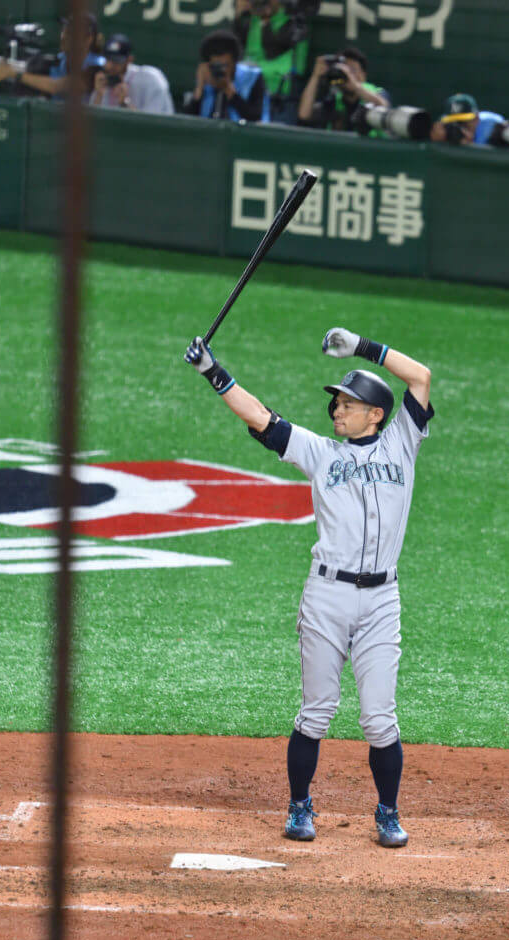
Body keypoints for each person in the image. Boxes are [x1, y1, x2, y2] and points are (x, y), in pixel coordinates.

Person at [184, 326, 433, 848]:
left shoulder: (403, 443)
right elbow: (260, 417)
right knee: (316, 709)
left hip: (382, 600)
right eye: (337, 403)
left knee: (379, 718)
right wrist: (214, 371)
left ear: (377, 414)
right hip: (327, 596)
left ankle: (387, 813)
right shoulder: (322, 453)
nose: (338, 410)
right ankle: (300, 806)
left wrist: (366, 348)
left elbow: (420, 376)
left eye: (349, 402)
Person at [0, 12, 104, 100]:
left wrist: (13, 73)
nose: (64, 37)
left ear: (88, 39)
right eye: (65, 31)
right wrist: (7, 67)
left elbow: (56, 86)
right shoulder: (60, 59)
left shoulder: (97, 66)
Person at [233, 0, 313, 123]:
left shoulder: (294, 21)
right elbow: (236, 46)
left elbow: (272, 51)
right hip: (248, 92)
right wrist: (239, 15)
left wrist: (266, 21)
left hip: (280, 97)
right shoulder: (252, 18)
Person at [184, 30, 269, 122]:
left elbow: (256, 117)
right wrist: (199, 89)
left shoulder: (252, 77)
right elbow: (187, 122)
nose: (221, 70)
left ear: (235, 62)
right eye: (216, 66)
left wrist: (230, 92)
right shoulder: (207, 82)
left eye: (225, 65)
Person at [297, 47, 389, 131]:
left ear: (363, 76)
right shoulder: (333, 98)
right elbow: (304, 115)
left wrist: (355, 85)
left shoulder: (376, 92)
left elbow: (383, 106)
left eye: (352, 70)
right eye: (343, 69)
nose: (347, 74)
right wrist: (315, 76)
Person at [89, 33, 174, 114]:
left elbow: (153, 124)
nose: (110, 65)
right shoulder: (103, 81)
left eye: (116, 61)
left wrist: (125, 103)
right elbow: (91, 123)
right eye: (107, 59)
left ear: (129, 60)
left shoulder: (151, 79)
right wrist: (98, 95)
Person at [430, 93, 505, 146]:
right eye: (454, 122)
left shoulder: (490, 125)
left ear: (477, 118)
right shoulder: (445, 129)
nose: (459, 127)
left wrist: (471, 144)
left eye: (464, 122)